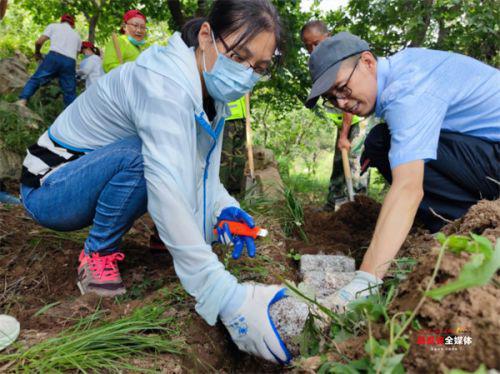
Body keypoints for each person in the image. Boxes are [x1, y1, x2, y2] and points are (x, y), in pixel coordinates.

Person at [20, 0, 292, 364]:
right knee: (142, 157)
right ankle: (97, 253)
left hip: (87, 177)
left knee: (154, 160)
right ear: (207, 36)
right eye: (239, 56)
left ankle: (165, 236)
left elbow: (199, 169)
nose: (245, 73)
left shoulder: (211, 95)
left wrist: (226, 209)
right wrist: (223, 294)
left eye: (257, 67)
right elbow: (164, 182)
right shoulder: (163, 82)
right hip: (49, 188)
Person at [305, 32, 500, 311]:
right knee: (380, 141)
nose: (342, 103)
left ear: (368, 63)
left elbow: (408, 187)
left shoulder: (406, 90)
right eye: (332, 99)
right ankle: (456, 220)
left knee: (381, 142)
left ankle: (459, 220)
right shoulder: (404, 68)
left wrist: (365, 281)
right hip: (488, 148)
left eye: (343, 88)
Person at [301, 20, 367, 210]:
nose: (313, 50)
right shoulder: (321, 62)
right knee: (340, 162)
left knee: (357, 163)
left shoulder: (340, 57)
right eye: (308, 46)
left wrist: (345, 135)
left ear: (328, 37)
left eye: (317, 43)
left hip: (357, 120)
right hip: (344, 122)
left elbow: (347, 100)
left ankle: (358, 208)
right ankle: (333, 205)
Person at [17, 14, 81, 107]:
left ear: (61, 21)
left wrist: (37, 53)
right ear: (72, 25)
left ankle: (22, 101)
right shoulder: (77, 35)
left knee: (36, 79)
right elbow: (76, 54)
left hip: (54, 57)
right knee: (70, 91)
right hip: (70, 61)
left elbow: (39, 42)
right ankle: (70, 115)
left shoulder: (53, 26)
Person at [220, 96, 248, 196]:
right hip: (226, 119)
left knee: (239, 159)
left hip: (242, 118)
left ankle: (235, 194)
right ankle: (221, 194)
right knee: (225, 159)